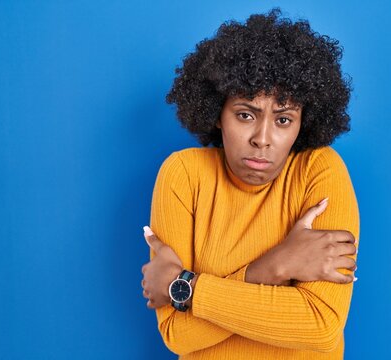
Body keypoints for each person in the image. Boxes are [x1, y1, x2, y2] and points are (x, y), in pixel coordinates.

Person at [141, 8, 360, 360]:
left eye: (284, 119)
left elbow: (320, 325)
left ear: (303, 123)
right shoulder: (183, 175)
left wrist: (189, 289)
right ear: (217, 114)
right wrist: (274, 268)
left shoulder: (319, 171)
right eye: (246, 114)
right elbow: (177, 335)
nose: (263, 138)